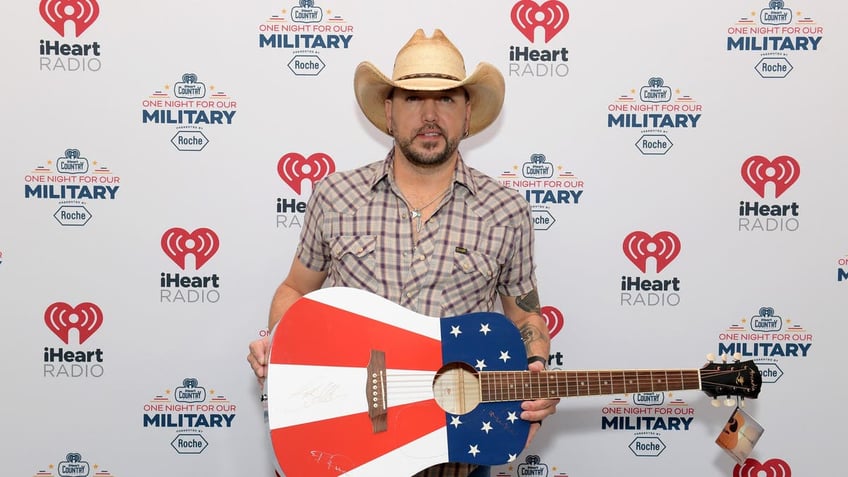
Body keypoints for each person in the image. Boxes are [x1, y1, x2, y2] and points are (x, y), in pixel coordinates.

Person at [248, 28, 560, 477]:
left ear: (468, 113)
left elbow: (525, 316)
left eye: (448, 99)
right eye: (413, 99)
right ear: (389, 113)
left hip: (455, 460)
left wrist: (535, 366)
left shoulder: (507, 210)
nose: (430, 115)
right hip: (345, 453)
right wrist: (279, 343)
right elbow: (295, 288)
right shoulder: (336, 195)